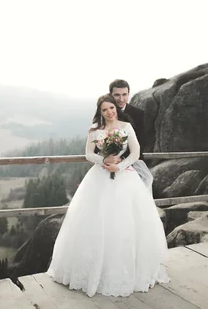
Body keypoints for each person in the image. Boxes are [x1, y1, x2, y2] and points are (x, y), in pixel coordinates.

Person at [47, 94, 169, 298]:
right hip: (100, 176)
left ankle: (126, 270)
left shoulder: (126, 126)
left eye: (111, 107)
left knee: (124, 222)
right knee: (96, 220)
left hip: (124, 176)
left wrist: (119, 166)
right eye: (104, 109)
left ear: (116, 108)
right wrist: (104, 159)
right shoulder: (95, 130)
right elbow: (88, 153)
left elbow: (135, 153)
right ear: (100, 112)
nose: (109, 112)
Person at [104, 79, 154, 192]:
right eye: (117, 95)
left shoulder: (139, 114)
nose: (121, 99)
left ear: (128, 94)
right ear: (110, 95)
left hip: (132, 163)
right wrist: (108, 157)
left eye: (124, 95)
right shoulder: (104, 114)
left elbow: (142, 141)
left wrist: (121, 160)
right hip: (109, 164)